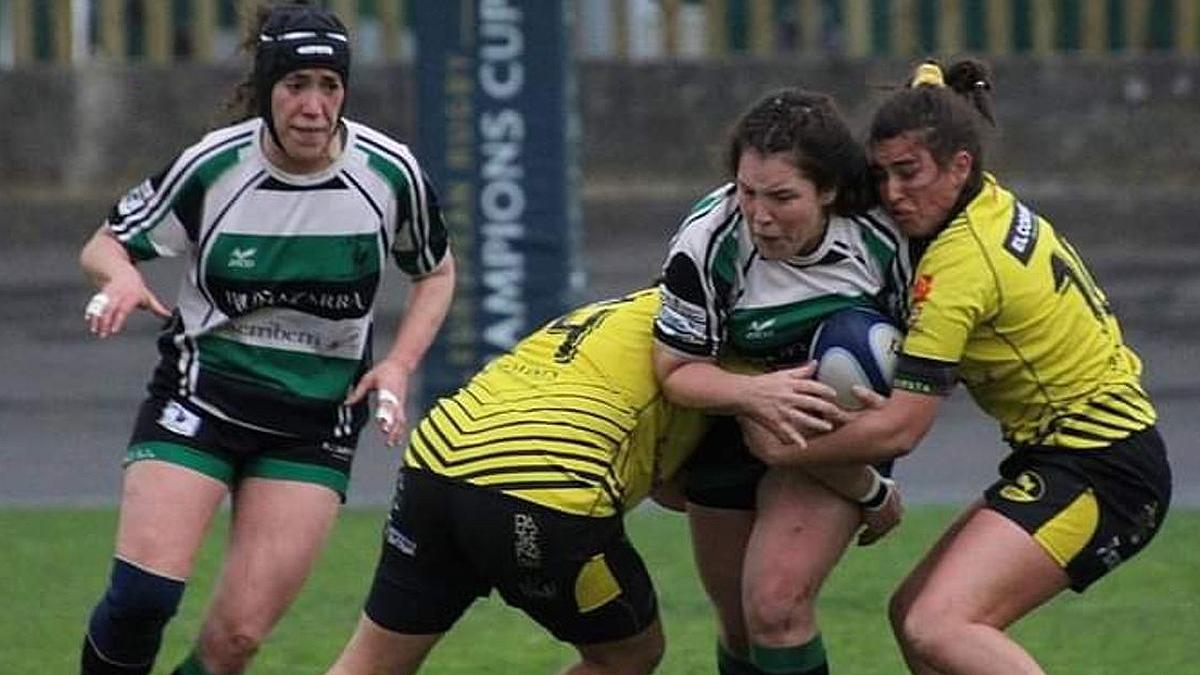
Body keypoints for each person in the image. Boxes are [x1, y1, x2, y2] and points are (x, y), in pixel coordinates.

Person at [77, 3, 455, 674]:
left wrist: (398, 363)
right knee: (142, 597)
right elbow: (106, 243)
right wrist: (123, 277)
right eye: (295, 86)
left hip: (314, 422)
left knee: (236, 641)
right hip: (202, 398)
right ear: (268, 89)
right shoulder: (214, 166)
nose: (313, 106)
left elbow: (436, 271)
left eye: (329, 87)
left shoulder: (389, 173)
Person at [762, 59, 1172, 674]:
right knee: (912, 617)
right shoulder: (976, 191)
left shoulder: (960, 266)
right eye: (883, 176)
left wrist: (781, 447)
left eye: (908, 175)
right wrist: (925, 83)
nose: (893, 195)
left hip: (1103, 469)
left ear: (959, 166)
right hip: (1066, 458)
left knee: (941, 625)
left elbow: (903, 429)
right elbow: (930, 97)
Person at [652, 88, 918, 675]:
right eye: (747, 192)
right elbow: (675, 371)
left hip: (838, 422)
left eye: (782, 197)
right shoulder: (707, 241)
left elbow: (927, 354)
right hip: (731, 417)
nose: (760, 215)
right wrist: (753, 394)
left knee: (775, 605)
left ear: (827, 190)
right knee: (742, 627)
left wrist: (869, 457)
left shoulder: (884, 233)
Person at [324, 288, 712, 675]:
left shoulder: (615, 310)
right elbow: (684, 492)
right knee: (626, 656)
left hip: (435, 461)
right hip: (537, 485)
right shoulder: (715, 333)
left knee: (371, 665)